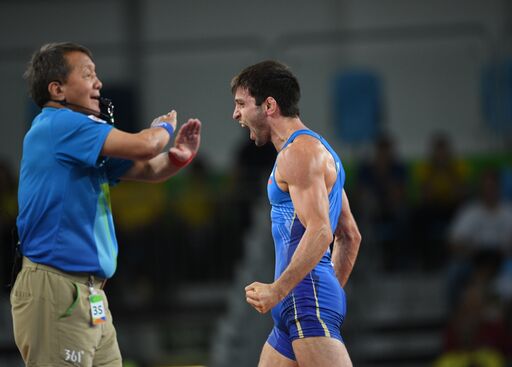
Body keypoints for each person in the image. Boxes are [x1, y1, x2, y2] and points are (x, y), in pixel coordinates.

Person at [11, 42, 201, 366]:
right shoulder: (59, 125)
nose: (98, 83)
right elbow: (146, 145)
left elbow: (149, 168)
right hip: (56, 288)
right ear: (57, 89)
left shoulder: (78, 137)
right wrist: (163, 128)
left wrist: (176, 159)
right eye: (87, 75)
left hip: (90, 294)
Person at [231, 60, 361, 367]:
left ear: (269, 105)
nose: (235, 114)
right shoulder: (316, 151)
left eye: (241, 104)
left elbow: (320, 231)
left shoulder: (299, 154)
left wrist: (282, 290)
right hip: (299, 302)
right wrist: (326, 290)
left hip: (303, 299)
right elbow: (350, 235)